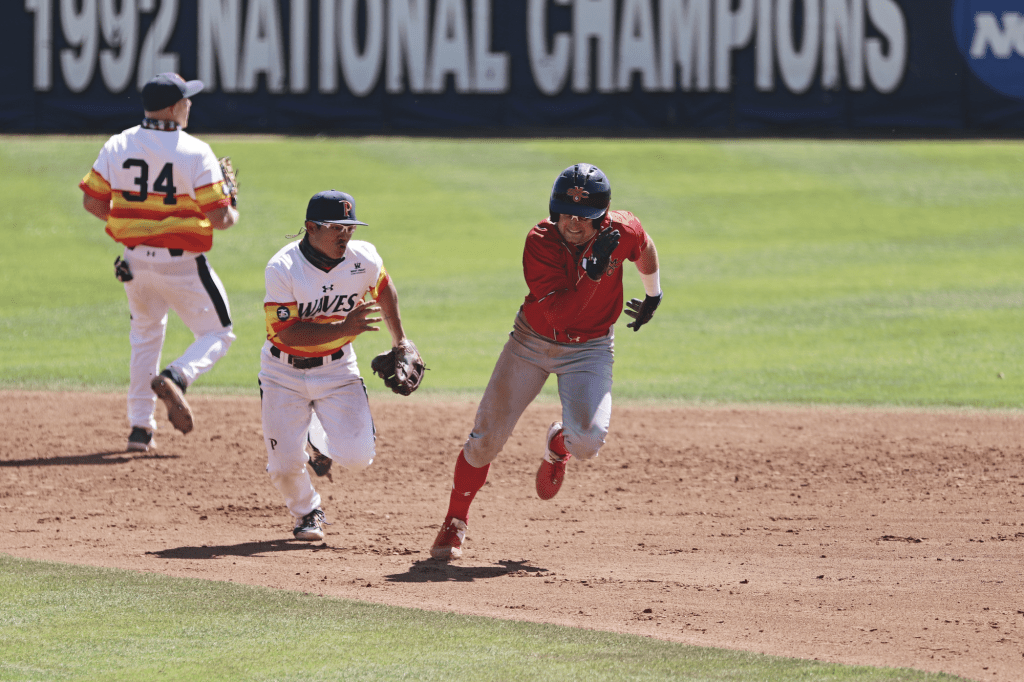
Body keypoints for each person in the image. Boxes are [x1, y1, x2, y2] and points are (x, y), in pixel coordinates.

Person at [430, 163, 663, 560]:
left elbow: (644, 246)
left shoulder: (622, 230)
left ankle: (559, 444)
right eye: (565, 213)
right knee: (485, 440)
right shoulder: (540, 241)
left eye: (585, 216)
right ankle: (455, 521)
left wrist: (653, 294)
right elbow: (560, 317)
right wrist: (591, 274)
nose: (573, 223)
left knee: (587, 442)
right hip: (531, 343)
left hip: (589, 349)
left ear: (603, 216)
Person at [80, 73, 239, 453]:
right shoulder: (195, 151)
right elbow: (220, 219)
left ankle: (140, 427)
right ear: (172, 107)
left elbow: (93, 202)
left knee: (145, 338)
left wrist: (137, 226)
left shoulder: (118, 143)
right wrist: (231, 202)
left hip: (134, 263)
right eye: (185, 99)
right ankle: (176, 376)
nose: (189, 105)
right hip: (182, 265)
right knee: (219, 333)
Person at [260, 189, 419, 541]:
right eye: (335, 227)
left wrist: (401, 341)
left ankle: (318, 441)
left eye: (349, 227)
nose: (345, 235)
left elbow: (384, 287)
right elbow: (285, 333)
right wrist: (344, 328)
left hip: (338, 369)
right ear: (310, 227)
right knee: (284, 464)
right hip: (282, 373)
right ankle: (307, 512)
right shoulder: (283, 267)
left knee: (359, 458)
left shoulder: (364, 257)